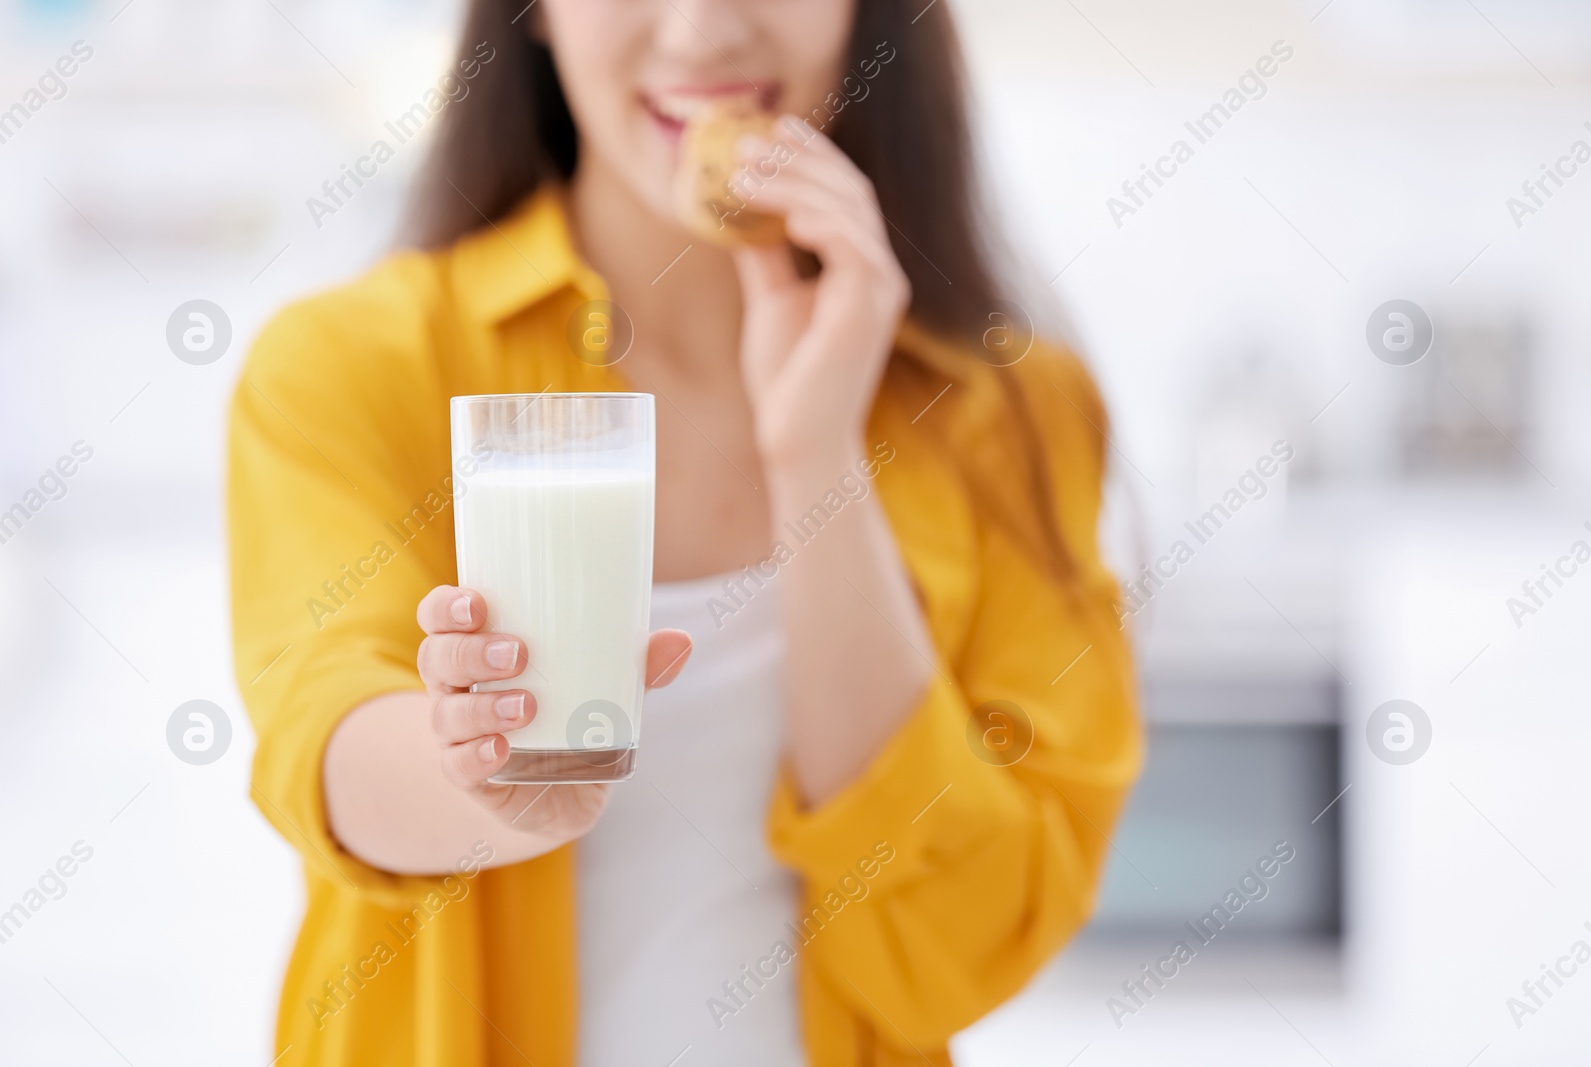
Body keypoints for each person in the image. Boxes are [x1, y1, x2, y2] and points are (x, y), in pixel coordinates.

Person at [227, 1, 1142, 1064]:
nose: (703, 33)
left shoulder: (1016, 413)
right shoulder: (352, 364)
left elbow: (970, 940)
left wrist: (817, 455)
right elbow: (326, 739)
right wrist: (486, 776)